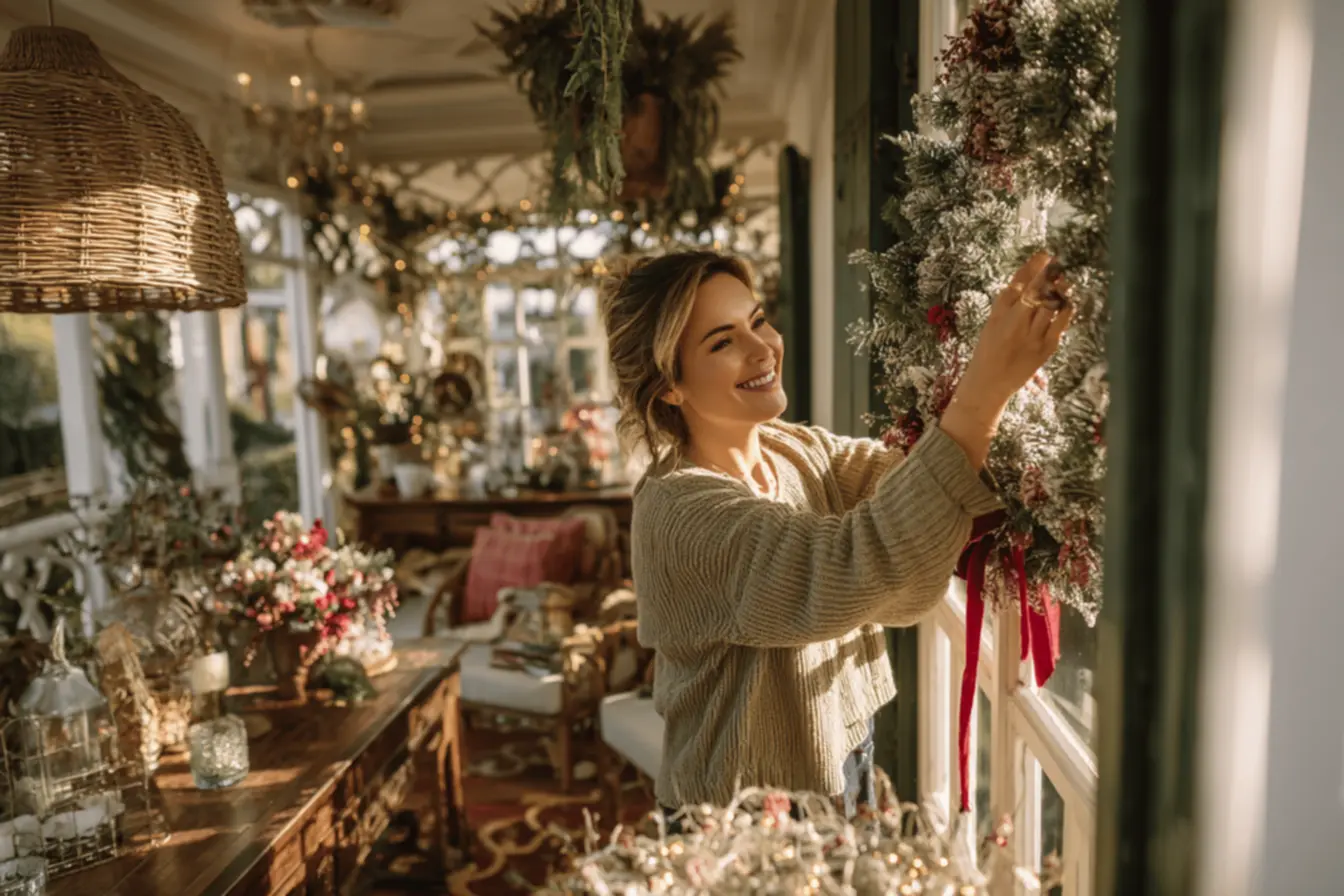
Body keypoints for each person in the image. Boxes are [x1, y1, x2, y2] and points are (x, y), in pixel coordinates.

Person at [599, 249, 1072, 819]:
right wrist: (981, 391)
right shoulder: (680, 513)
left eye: (757, 321)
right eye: (722, 342)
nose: (762, 348)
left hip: (848, 757)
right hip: (743, 811)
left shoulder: (790, 447)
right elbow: (850, 563)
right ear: (669, 387)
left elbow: (906, 480)